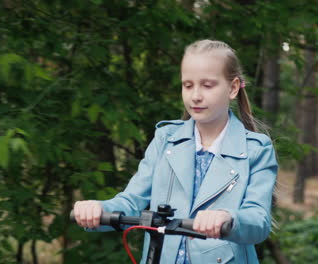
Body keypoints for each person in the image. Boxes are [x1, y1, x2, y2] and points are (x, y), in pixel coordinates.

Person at [73, 39, 278, 264]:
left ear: (233, 88)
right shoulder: (166, 139)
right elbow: (131, 201)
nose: (195, 95)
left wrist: (229, 218)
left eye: (207, 85)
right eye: (188, 85)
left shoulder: (256, 149)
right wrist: (97, 209)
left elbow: (258, 221)